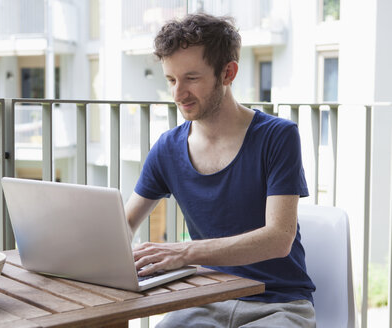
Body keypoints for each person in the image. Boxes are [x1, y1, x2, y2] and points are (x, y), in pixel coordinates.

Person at [124, 13, 316, 327]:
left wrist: (184, 252)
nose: (178, 93)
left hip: (279, 304)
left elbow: (278, 238)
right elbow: (125, 224)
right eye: (171, 79)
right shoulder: (167, 148)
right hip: (205, 300)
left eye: (192, 78)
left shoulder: (277, 137)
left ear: (228, 73)